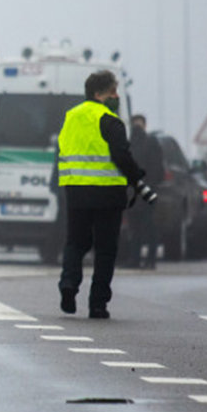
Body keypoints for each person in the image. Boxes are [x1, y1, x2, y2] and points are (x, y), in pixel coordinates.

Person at [56, 70, 151, 319]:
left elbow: (63, 150)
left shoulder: (71, 117)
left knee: (76, 243)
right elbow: (121, 155)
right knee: (106, 249)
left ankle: (68, 284)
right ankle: (97, 304)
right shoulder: (110, 120)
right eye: (113, 92)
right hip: (108, 194)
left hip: (75, 190)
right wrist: (136, 175)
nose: (116, 96)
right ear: (98, 94)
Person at [126, 114, 164, 269]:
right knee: (148, 227)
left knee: (135, 229)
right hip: (147, 192)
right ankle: (150, 260)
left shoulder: (128, 144)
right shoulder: (151, 143)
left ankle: (136, 260)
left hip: (132, 193)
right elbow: (158, 171)